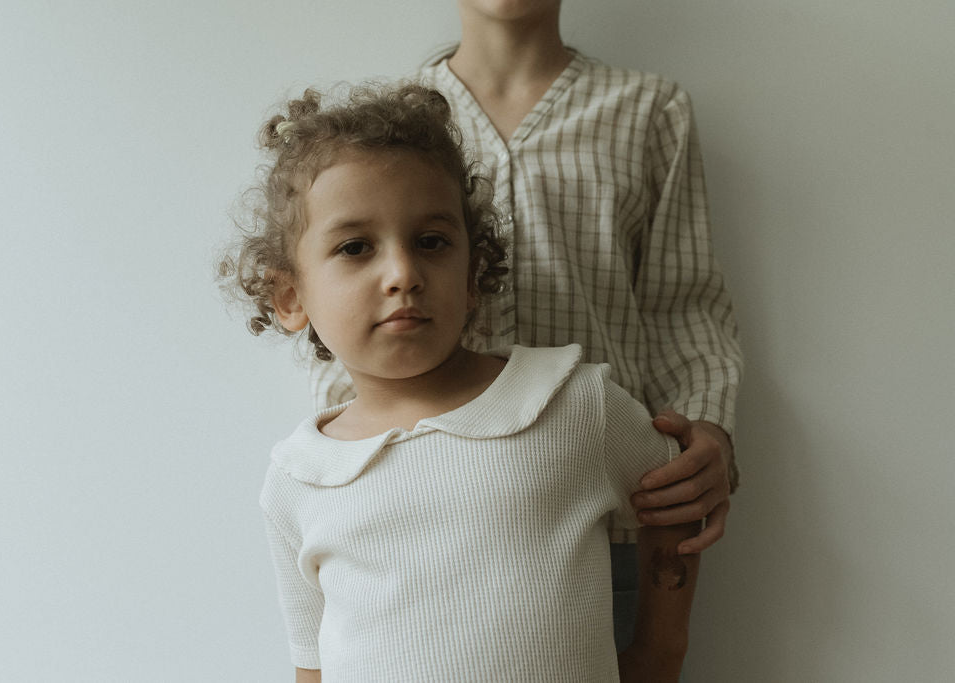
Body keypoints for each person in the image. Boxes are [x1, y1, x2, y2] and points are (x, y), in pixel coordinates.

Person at [222, 83, 700, 682]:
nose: (402, 273)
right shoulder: (297, 479)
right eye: (355, 247)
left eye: (431, 242)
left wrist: (661, 651)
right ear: (290, 297)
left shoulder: (575, 402)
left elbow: (678, 502)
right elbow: (312, 665)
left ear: (473, 275)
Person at [308, 0, 745, 651]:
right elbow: (341, 325)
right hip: (414, 532)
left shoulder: (649, 112)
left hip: (605, 527)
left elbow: (682, 307)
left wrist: (708, 432)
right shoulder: (391, 133)